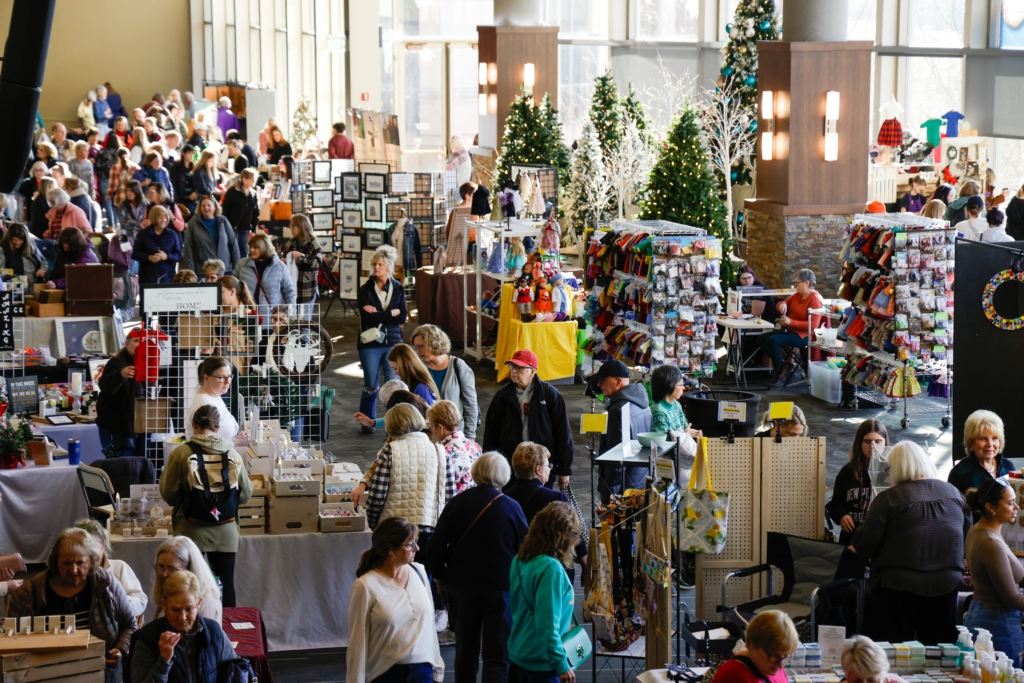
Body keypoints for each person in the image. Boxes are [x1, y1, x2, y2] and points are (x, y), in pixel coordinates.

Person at [851, 441, 969, 643]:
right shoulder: (954, 493)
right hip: (947, 586)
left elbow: (864, 543)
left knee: (895, 651)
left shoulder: (889, 498)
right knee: (941, 651)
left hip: (897, 589)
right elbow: (967, 534)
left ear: (896, 468)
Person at [429, 453, 529, 683]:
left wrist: (440, 578)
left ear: (476, 473)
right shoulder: (511, 507)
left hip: (462, 586)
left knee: (465, 651)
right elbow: (526, 548)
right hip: (501, 588)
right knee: (497, 655)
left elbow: (436, 544)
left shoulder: (458, 502)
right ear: (505, 475)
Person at [160, 404, 252, 609]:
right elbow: (245, 494)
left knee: (188, 585)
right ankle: (226, 633)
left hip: (190, 532)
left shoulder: (180, 453)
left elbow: (168, 494)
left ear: (193, 425)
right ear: (218, 428)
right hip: (226, 531)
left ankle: (191, 631)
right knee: (226, 584)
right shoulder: (233, 454)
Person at [8, 529, 135, 674]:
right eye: (66, 563)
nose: (73, 570)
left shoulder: (107, 584)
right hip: (46, 674)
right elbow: (14, 640)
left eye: (80, 563)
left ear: (92, 561)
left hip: (100, 671)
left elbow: (129, 625)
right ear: (55, 561)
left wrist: (119, 650)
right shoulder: (28, 593)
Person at [347, 517, 445, 683]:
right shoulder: (365, 586)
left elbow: (428, 627)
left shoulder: (419, 572)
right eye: (410, 544)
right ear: (390, 550)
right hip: (386, 674)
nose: (417, 548)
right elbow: (357, 643)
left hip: (423, 672)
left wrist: (438, 667)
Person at [508, 502, 582, 683]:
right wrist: (562, 664)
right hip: (543, 662)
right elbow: (547, 626)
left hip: (520, 652)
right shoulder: (551, 569)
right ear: (563, 537)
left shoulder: (520, 559)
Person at [484, 349, 574, 489]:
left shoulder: (550, 395)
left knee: (541, 506)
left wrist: (564, 470)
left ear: (532, 372)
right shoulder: (502, 396)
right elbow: (491, 432)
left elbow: (563, 434)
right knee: (512, 506)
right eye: (512, 367)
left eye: (519, 368)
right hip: (512, 464)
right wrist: (489, 465)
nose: (514, 371)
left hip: (541, 464)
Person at [130, 570, 237, 683]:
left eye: (189, 609)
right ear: (164, 605)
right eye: (175, 610)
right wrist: (163, 661)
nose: (182, 617)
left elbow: (235, 672)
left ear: (199, 603)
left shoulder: (214, 632)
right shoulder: (148, 640)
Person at [961, 479, 1024, 666]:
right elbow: (1012, 599)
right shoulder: (990, 542)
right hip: (998, 623)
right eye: (1010, 502)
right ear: (991, 507)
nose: (1017, 507)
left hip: (988, 616)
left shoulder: (980, 530)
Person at [357, 246, 407, 433]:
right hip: (369, 344)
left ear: (389, 267)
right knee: (370, 385)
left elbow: (402, 317)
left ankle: (395, 424)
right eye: (374, 264)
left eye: (380, 264)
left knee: (393, 386)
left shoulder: (399, 288)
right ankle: (366, 422)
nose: (376, 267)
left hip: (393, 343)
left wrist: (379, 313)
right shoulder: (365, 290)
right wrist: (389, 313)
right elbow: (367, 317)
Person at [589, 359, 652, 501]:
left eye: (602, 380)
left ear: (618, 381)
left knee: (615, 523)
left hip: (624, 487)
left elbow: (617, 456)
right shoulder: (643, 403)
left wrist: (611, 492)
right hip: (640, 480)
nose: (599, 385)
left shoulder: (619, 409)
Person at [758, 268, 824, 388]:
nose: (795, 285)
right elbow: (781, 303)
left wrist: (791, 322)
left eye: (797, 283)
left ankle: (778, 372)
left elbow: (814, 325)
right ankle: (784, 365)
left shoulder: (815, 299)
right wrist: (782, 304)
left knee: (773, 341)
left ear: (807, 283)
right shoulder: (798, 295)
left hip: (805, 335)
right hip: (790, 330)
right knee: (761, 339)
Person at [411, 325, 479, 440]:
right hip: (428, 437)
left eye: (420, 347)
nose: (418, 352)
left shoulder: (459, 367)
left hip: (456, 436)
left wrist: (469, 438)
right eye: (416, 347)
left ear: (433, 343)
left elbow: (471, 405)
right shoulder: (419, 370)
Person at [827, 420, 888, 546]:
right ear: (859, 443)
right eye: (867, 441)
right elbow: (835, 504)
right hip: (852, 538)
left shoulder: (892, 472)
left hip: (882, 539)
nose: (873, 446)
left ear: (885, 443)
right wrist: (842, 516)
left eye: (878, 441)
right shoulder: (848, 472)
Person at [74, 519, 148, 620]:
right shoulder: (73, 572)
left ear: (103, 546)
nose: (88, 553)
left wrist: (114, 602)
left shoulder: (119, 567)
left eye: (92, 547)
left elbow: (140, 601)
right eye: (82, 547)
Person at [710, 611, 798, 683]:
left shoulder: (773, 665)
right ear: (753, 644)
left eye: (786, 656)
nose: (780, 665)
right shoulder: (734, 677)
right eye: (775, 656)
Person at [96, 328, 145, 458]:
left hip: (138, 428)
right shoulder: (116, 363)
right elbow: (105, 386)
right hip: (115, 428)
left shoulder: (147, 365)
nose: (141, 344)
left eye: (144, 341)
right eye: (137, 341)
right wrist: (120, 374)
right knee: (119, 468)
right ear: (127, 344)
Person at [151, 536, 222, 624]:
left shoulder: (207, 604)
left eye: (171, 568)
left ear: (190, 569)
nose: (164, 574)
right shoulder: (169, 593)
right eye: (161, 567)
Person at [234, 232, 296, 324]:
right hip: (246, 319)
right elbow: (234, 289)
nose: (251, 250)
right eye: (250, 247)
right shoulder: (242, 264)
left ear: (264, 247)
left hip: (271, 321)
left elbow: (289, 292)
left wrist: (290, 315)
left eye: (255, 247)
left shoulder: (280, 266)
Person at [948, 409, 1014, 495]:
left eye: (994, 438)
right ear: (971, 442)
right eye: (983, 439)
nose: (990, 444)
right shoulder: (960, 473)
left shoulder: (1008, 466)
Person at [184, 356, 245, 447]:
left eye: (229, 376)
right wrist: (236, 442)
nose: (228, 382)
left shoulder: (214, 395)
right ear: (206, 378)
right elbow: (206, 445)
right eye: (221, 378)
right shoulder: (204, 404)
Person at [426, 400, 481, 494]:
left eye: (432, 427)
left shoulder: (442, 454)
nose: (432, 432)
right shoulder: (475, 446)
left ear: (440, 428)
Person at [649, 364, 702, 458]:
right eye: (681, 383)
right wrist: (685, 435)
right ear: (669, 385)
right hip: (668, 463)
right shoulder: (658, 411)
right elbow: (662, 446)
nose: (683, 387)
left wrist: (691, 432)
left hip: (680, 458)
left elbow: (684, 428)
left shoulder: (676, 405)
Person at [181, 194, 240, 275]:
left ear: (214, 207)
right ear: (200, 208)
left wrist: (237, 268)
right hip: (203, 272)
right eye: (203, 206)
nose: (206, 208)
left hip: (224, 270)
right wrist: (191, 272)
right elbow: (188, 249)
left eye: (209, 205)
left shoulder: (223, 221)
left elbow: (233, 244)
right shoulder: (193, 223)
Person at [283, 214, 323, 319]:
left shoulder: (313, 243)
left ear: (301, 226)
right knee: (291, 321)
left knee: (304, 323)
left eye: (293, 225)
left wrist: (302, 256)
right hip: (291, 289)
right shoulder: (290, 243)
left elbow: (318, 263)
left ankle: (305, 336)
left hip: (307, 290)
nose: (291, 228)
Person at [133, 205, 182, 284]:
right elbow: (134, 254)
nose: (163, 220)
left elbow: (178, 255)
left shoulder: (172, 234)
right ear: (153, 218)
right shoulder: (143, 234)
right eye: (160, 217)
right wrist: (148, 257)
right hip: (147, 278)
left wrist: (166, 256)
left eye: (165, 217)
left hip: (167, 278)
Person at [222, 168, 260, 258]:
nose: (253, 181)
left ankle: (242, 271)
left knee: (244, 252)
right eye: (251, 179)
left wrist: (254, 229)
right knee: (232, 252)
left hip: (246, 229)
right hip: (232, 228)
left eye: (255, 179)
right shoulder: (233, 192)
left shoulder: (253, 194)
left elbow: (256, 214)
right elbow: (225, 210)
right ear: (244, 179)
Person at [170, 145, 196, 216]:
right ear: (183, 153)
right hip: (180, 198)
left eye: (193, 153)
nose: (191, 155)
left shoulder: (194, 167)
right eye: (189, 153)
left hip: (192, 198)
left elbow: (198, 183)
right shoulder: (175, 167)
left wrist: (196, 192)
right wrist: (176, 200)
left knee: (193, 213)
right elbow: (173, 184)